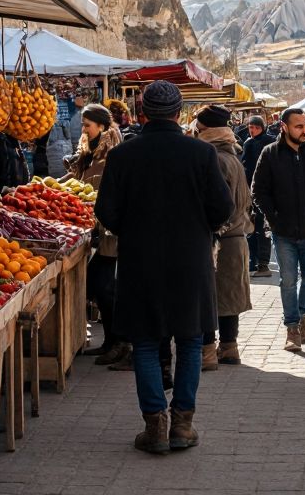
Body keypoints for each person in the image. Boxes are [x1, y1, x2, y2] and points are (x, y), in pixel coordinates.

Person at [96, 81, 231, 455]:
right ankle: (182, 425)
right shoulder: (200, 154)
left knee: (145, 341)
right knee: (189, 340)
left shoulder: (124, 156)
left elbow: (105, 211)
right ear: (178, 113)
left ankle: (155, 425)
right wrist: (196, 227)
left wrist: (134, 230)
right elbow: (223, 208)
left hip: (140, 260)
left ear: (142, 112)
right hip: (190, 260)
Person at [251, 108, 305, 352]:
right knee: (288, 280)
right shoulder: (270, 154)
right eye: (298, 126)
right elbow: (258, 190)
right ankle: (292, 327)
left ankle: (301, 315)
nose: (304, 130)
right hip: (284, 232)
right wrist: (274, 216)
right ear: (284, 127)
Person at [190, 105, 254, 371]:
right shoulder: (232, 156)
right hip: (237, 236)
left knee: (208, 297)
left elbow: (215, 203)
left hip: (217, 238)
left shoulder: (214, 158)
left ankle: (207, 352)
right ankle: (229, 347)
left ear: (205, 130)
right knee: (230, 297)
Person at [67, 104, 130, 368]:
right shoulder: (88, 151)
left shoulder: (112, 152)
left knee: (104, 286)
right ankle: (111, 342)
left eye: (87, 125)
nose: (83, 129)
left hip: (112, 232)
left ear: (102, 126)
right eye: (83, 125)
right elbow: (79, 181)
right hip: (95, 227)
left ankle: (120, 344)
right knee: (99, 285)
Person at [240, 115, 275, 277]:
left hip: (265, 191)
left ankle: (263, 264)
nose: (252, 130)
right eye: (250, 127)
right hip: (249, 191)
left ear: (262, 128)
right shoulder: (247, 143)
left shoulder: (270, 142)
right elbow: (245, 166)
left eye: (256, 127)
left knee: (262, 228)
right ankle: (253, 262)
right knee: (251, 228)